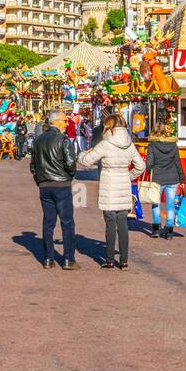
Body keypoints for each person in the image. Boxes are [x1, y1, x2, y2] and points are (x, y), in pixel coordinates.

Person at [77, 114, 146, 269]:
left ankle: (109, 259)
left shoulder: (106, 143)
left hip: (109, 183)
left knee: (110, 222)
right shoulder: (129, 144)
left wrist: (81, 155)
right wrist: (129, 176)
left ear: (109, 126)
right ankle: (124, 260)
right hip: (123, 184)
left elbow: (87, 161)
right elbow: (140, 166)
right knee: (122, 222)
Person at [30, 109, 78, 270]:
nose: (66, 124)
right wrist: (69, 176)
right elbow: (71, 163)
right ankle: (68, 259)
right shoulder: (63, 139)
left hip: (45, 185)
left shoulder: (38, 140)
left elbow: (33, 166)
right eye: (64, 121)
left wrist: (40, 180)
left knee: (48, 223)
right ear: (56, 122)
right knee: (67, 222)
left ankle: (48, 258)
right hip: (61, 185)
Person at [145, 133, 185, 240]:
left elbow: (149, 164)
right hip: (173, 178)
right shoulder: (173, 145)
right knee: (170, 205)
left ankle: (156, 229)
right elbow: (178, 163)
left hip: (157, 178)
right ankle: (169, 231)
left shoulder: (152, 145)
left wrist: (149, 170)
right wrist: (182, 179)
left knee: (155, 203)